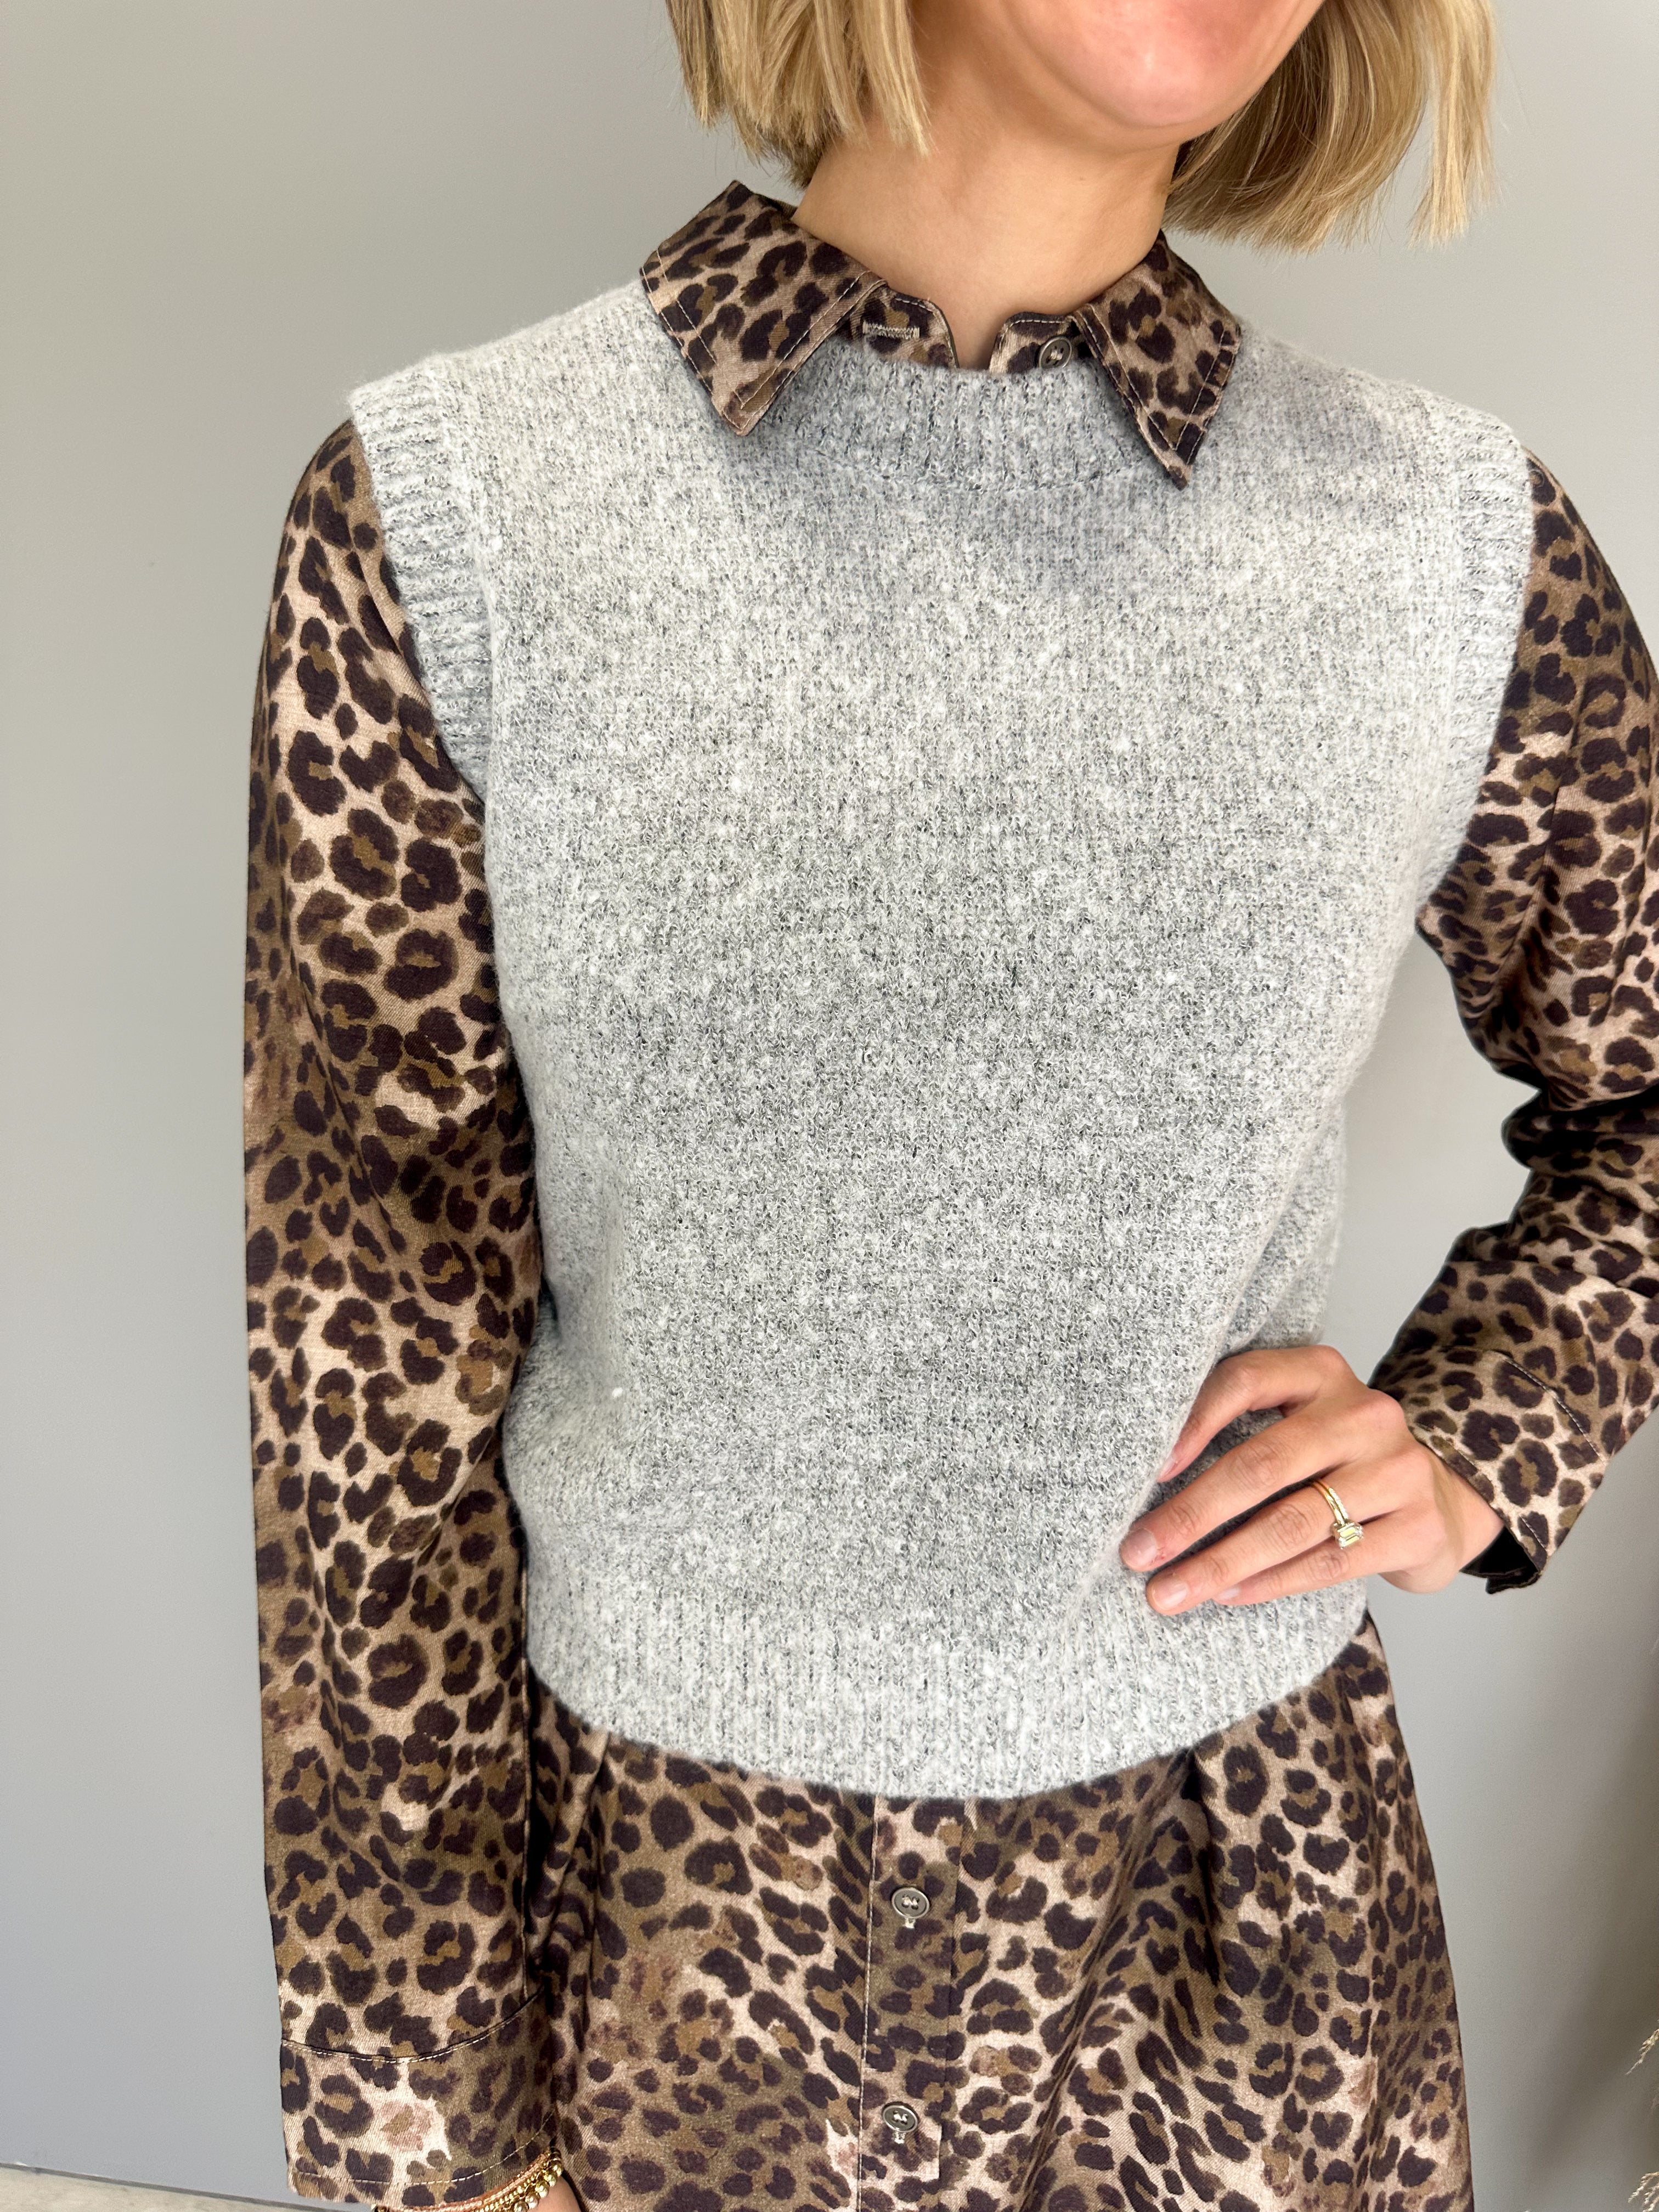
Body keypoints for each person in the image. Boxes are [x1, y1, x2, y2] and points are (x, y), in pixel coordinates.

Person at [241, 1, 1657, 2206]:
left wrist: (1493, 1424)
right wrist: (421, 2124)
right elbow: (364, 1372)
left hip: (1245, 1925)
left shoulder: (1449, 545)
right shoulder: (456, 517)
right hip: (670, 1934)